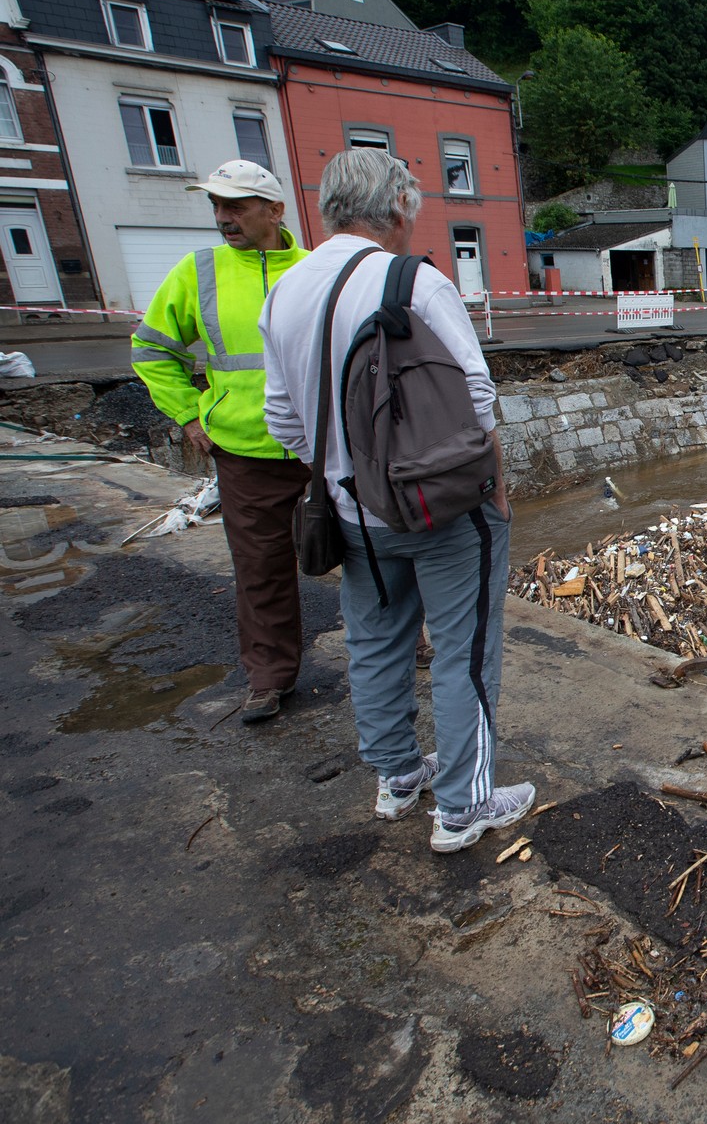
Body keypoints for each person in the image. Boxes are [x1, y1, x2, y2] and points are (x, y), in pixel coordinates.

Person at [260, 149, 532, 853]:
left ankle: (398, 777)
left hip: (352, 514)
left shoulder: (285, 290)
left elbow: (283, 420)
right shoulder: (414, 281)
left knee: (375, 644)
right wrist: (496, 490)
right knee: (463, 650)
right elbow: (475, 398)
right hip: (442, 507)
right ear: (401, 208)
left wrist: (343, 471)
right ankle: (465, 805)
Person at [131, 160, 309, 723]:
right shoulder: (199, 270)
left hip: (321, 447)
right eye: (216, 206)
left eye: (235, 206)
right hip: (245, 452)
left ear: (274, 210)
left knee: (370, 552)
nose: (222, 217)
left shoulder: (313, 270)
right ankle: (269, 677)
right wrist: (188, 415)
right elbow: (151, 349)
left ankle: (405, 646)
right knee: (260, 569)